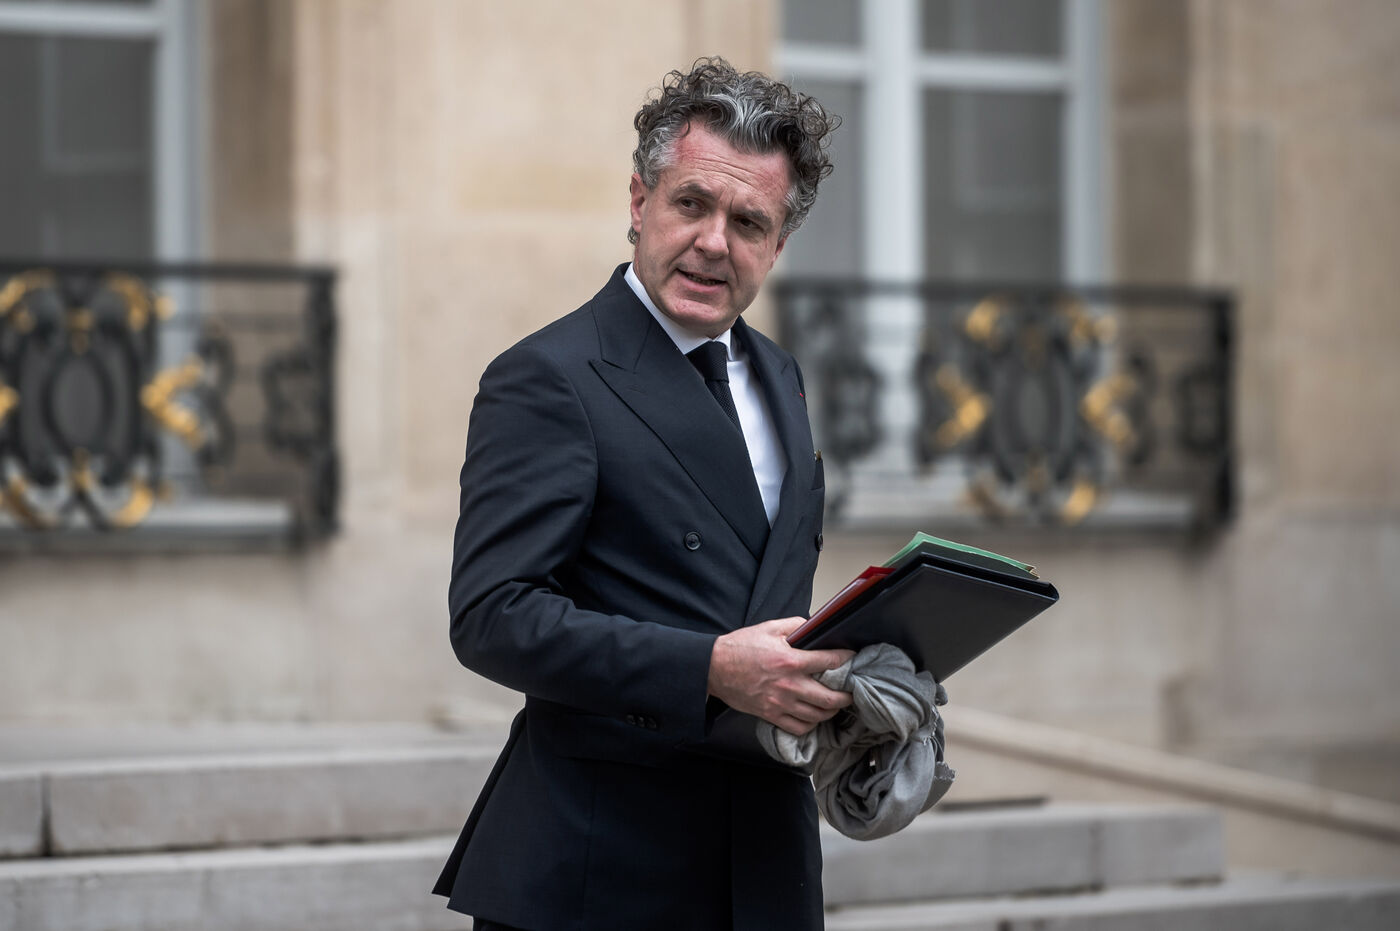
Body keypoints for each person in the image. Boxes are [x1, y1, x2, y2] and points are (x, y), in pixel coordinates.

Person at [433, 58, 848, 930]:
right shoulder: (546, 376)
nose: (713, 242)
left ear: (777, 246)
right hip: (599, 870)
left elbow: (756, 594)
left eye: (748, 221)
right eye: (691, 203)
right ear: (638, 201)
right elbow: (492, 615)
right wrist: (710, 669)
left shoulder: (780, 375)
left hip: (763, 865)